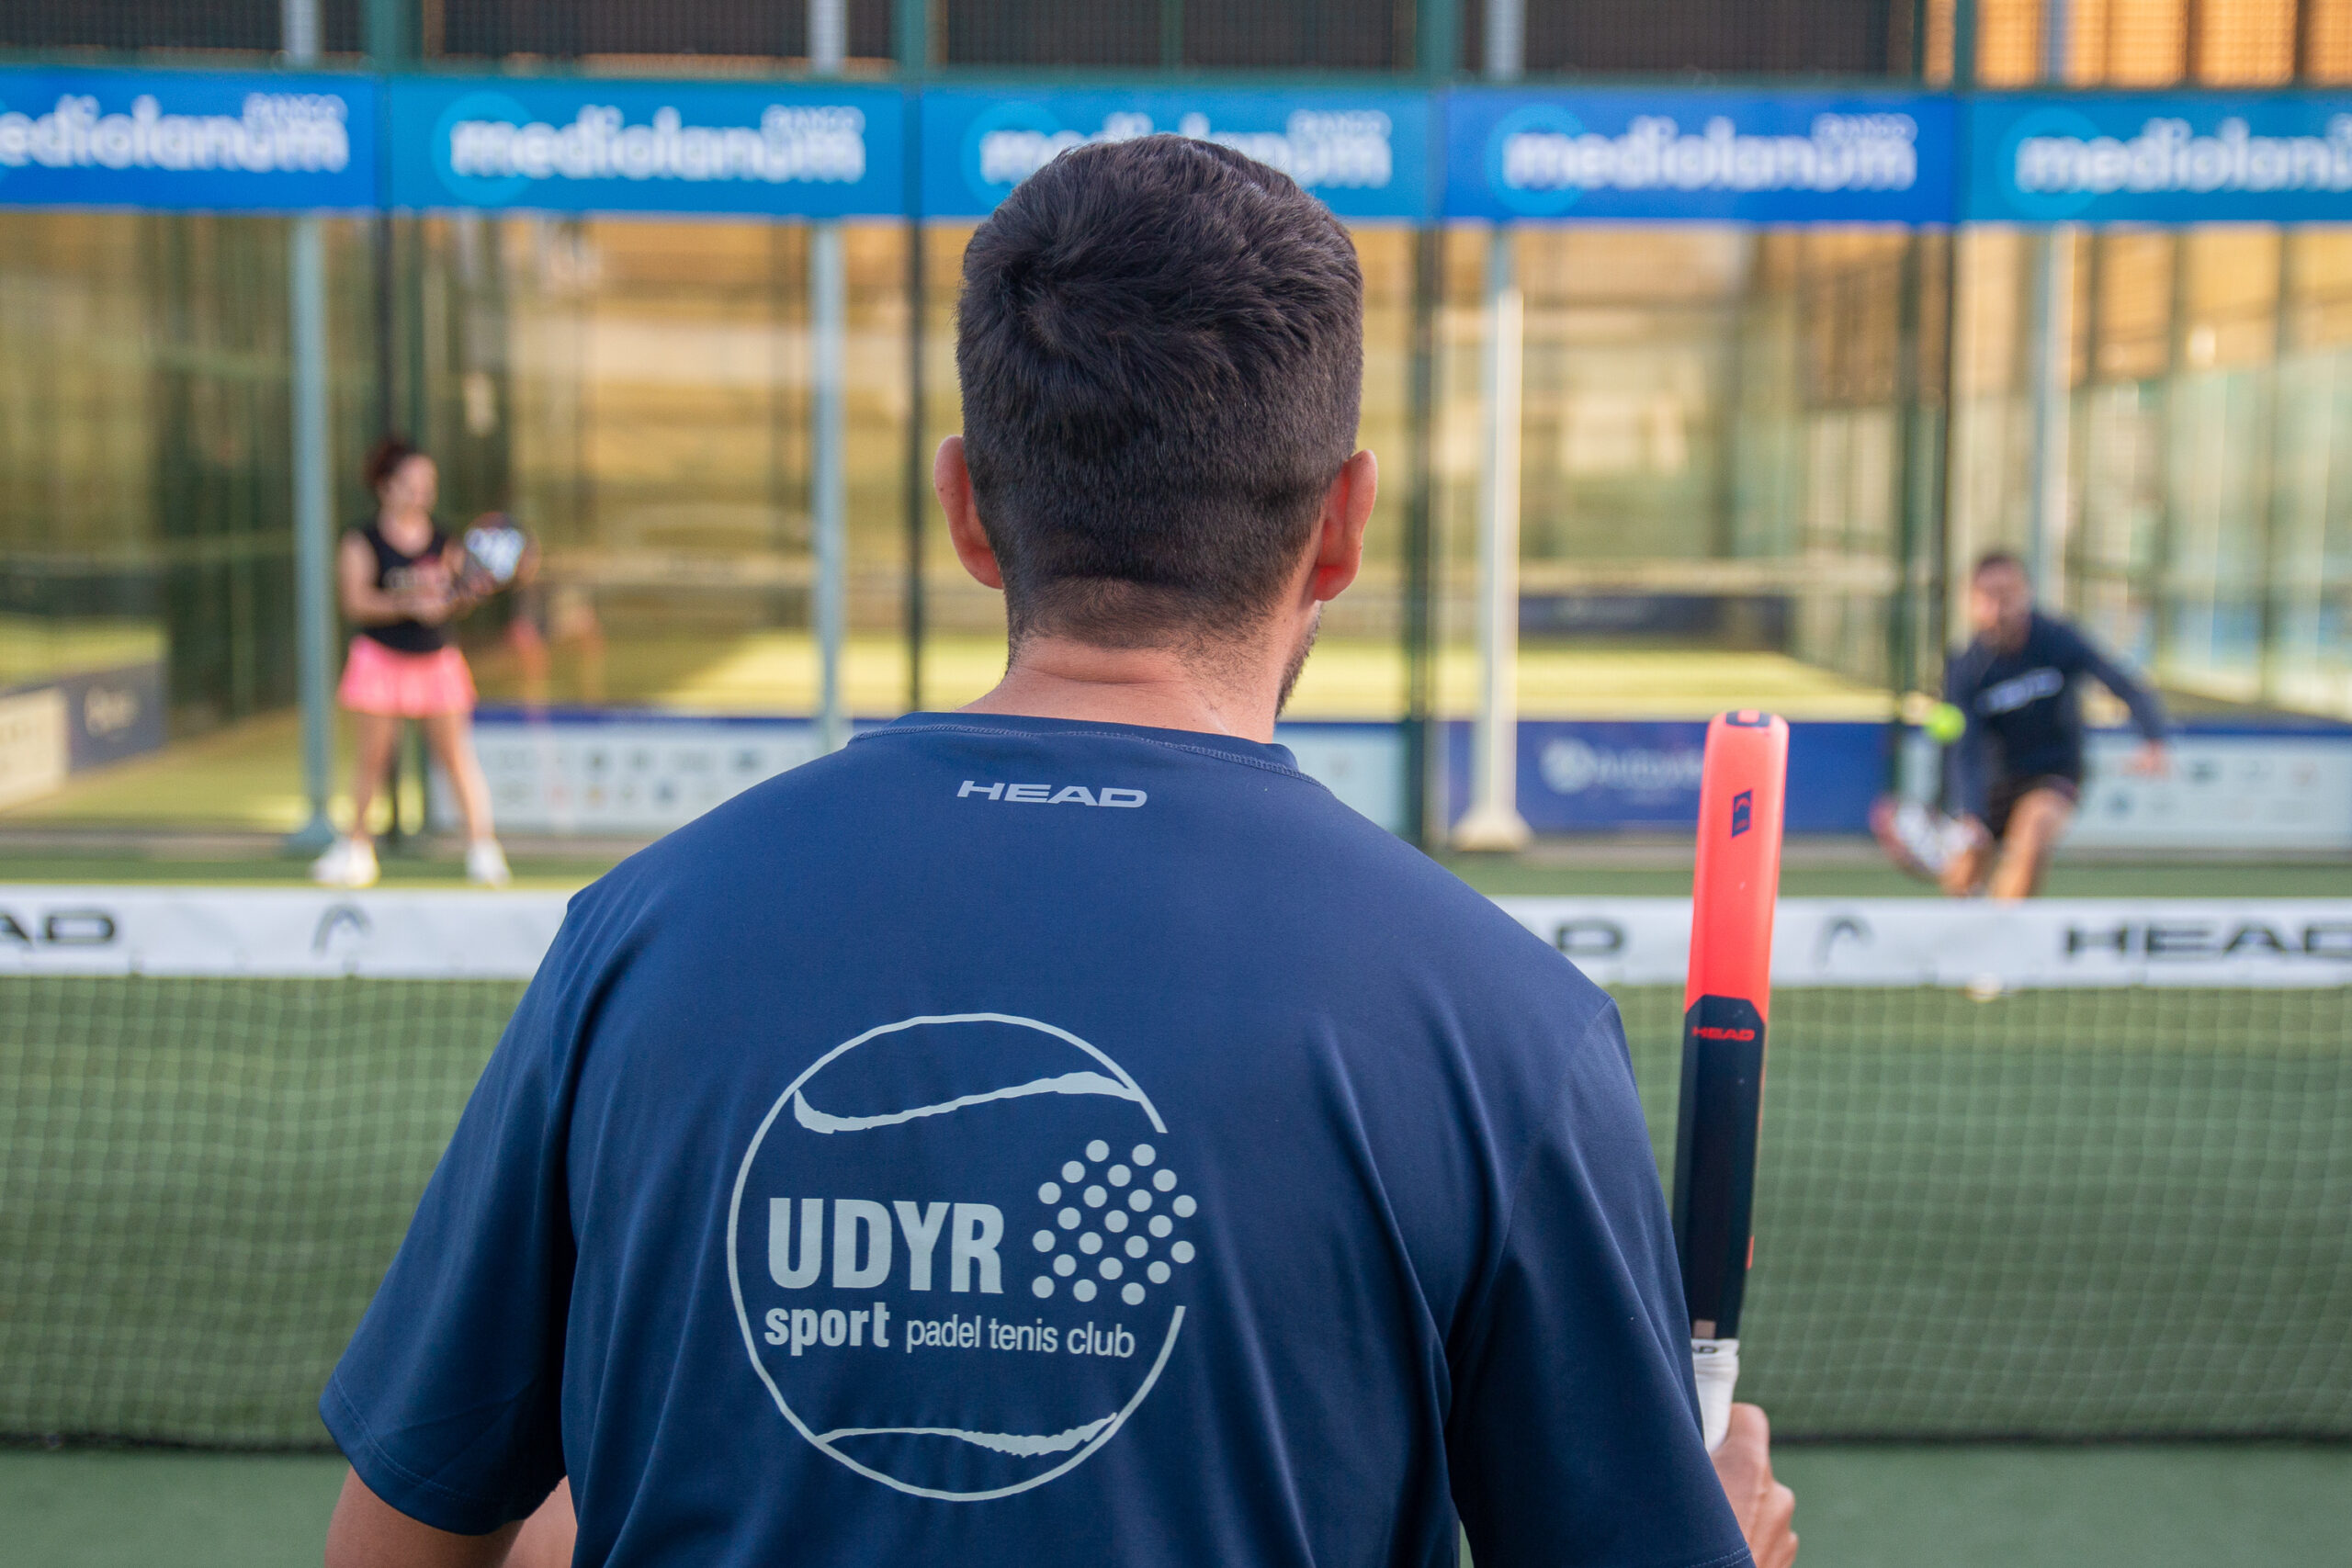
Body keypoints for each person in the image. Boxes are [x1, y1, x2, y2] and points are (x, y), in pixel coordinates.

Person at [320, 139, 1797, 1568]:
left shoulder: (632, 940)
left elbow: (404, 1534)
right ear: (1343, 526)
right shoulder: (1509, 1025)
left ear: (967, 506)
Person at [311, 440, 510, 891]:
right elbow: (356, 601)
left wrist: (457, 599)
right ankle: (355, 849)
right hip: (379, 660)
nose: (421, 492)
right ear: (385, 486)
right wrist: (408, 604)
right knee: (373, 759)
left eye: (428, 483)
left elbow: (458, 594)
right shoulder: (362, 540)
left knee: (456, 756)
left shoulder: (445, 540)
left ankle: (483, 849)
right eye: (411, 483)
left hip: (436, 661)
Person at [1938, 550, 2168, 900]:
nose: (2000, 606)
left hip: (2053, 773)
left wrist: (2153, 738)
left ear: (2026, 593)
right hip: (1993, 783)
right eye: (1988, 596)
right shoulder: (1965, 668)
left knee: (2031, 831)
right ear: (1971, 603)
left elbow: (2119, 681)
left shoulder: (2057, 638)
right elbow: (1965, 750)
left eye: (2008, 594)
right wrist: (1970, 811)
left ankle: (2006, 926)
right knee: (1963, 875)